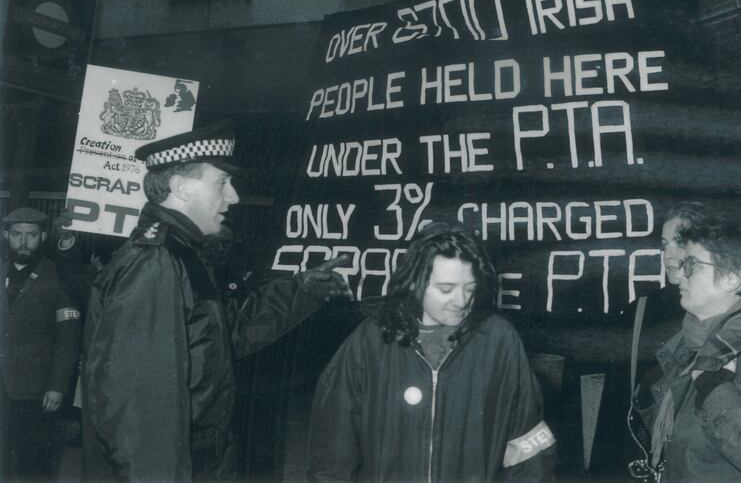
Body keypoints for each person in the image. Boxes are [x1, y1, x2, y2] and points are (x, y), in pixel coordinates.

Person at [81, 123, 352, 481]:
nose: (234, 197)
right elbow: (139, 412)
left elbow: (223, 334)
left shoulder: (180, 254)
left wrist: (300, 289)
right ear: (180, 188)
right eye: (222, 183)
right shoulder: (157, 264)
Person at [308, 221, 557, 482]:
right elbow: (332, 457)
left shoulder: (498, 340)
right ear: (415, 283)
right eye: (446, 289)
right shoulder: (369, 342)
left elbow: (529, 451)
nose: (462, 301)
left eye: (470, 288)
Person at [631, 204, 741, 482]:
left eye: (692, 265)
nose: (680, 274)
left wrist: (715, 391)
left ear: (732, 277)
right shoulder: (699, 345)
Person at [0, 207, 82, 480]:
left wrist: (57, 386)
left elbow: (68, 338)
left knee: (33, 463)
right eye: (16, 234)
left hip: (35, 391)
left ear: (44, 236)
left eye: (31, 235)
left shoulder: (58, 276)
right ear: (5, 235)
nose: (23, 242)